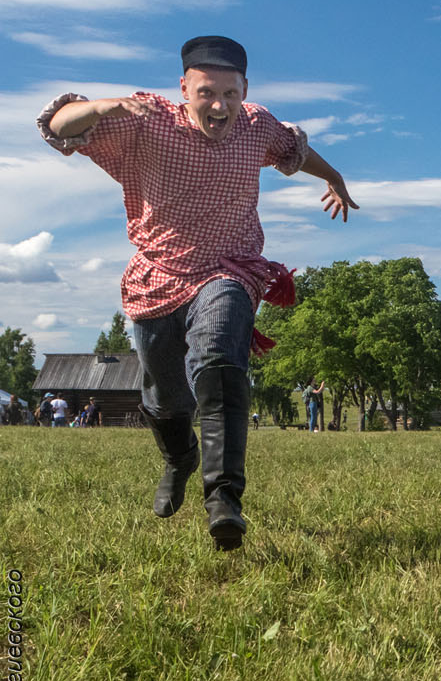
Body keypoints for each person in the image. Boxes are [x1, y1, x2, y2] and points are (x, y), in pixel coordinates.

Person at [40, 35, 359, 550]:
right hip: (158, 277)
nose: (221, 106)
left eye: (231, 94)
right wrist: (100, 106)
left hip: (228, 270)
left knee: (219, 362)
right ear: (184, 87)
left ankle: (224, 501)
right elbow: (58, 124)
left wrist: (336, 176)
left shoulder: (257, 125)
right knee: (165, 398)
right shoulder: (145, 120)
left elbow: (294, 153)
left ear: (245, 90)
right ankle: (178, 456)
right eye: (208, 92)